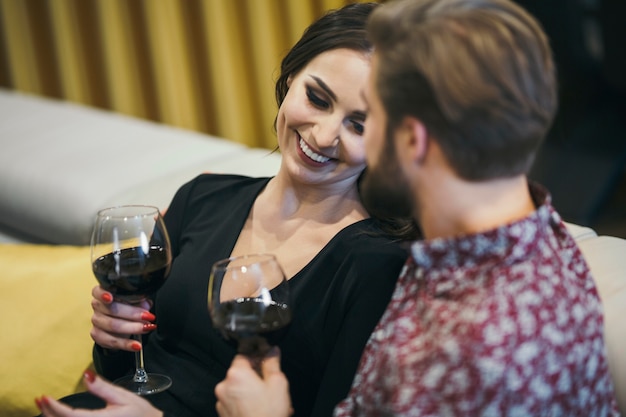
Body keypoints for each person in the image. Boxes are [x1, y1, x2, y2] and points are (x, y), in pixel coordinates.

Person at [213, 0, 621, 415]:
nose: (327, 137)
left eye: (366, 121)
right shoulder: (533, 235)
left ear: (413, 139)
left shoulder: (468, 352)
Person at [34, 3, 419, 417]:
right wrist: (113, 339)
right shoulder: (201, 197)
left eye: (359, 125)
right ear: (291, 78)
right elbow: (127, 376)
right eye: (317, 98)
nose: (324, 136)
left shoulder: (379, 265)